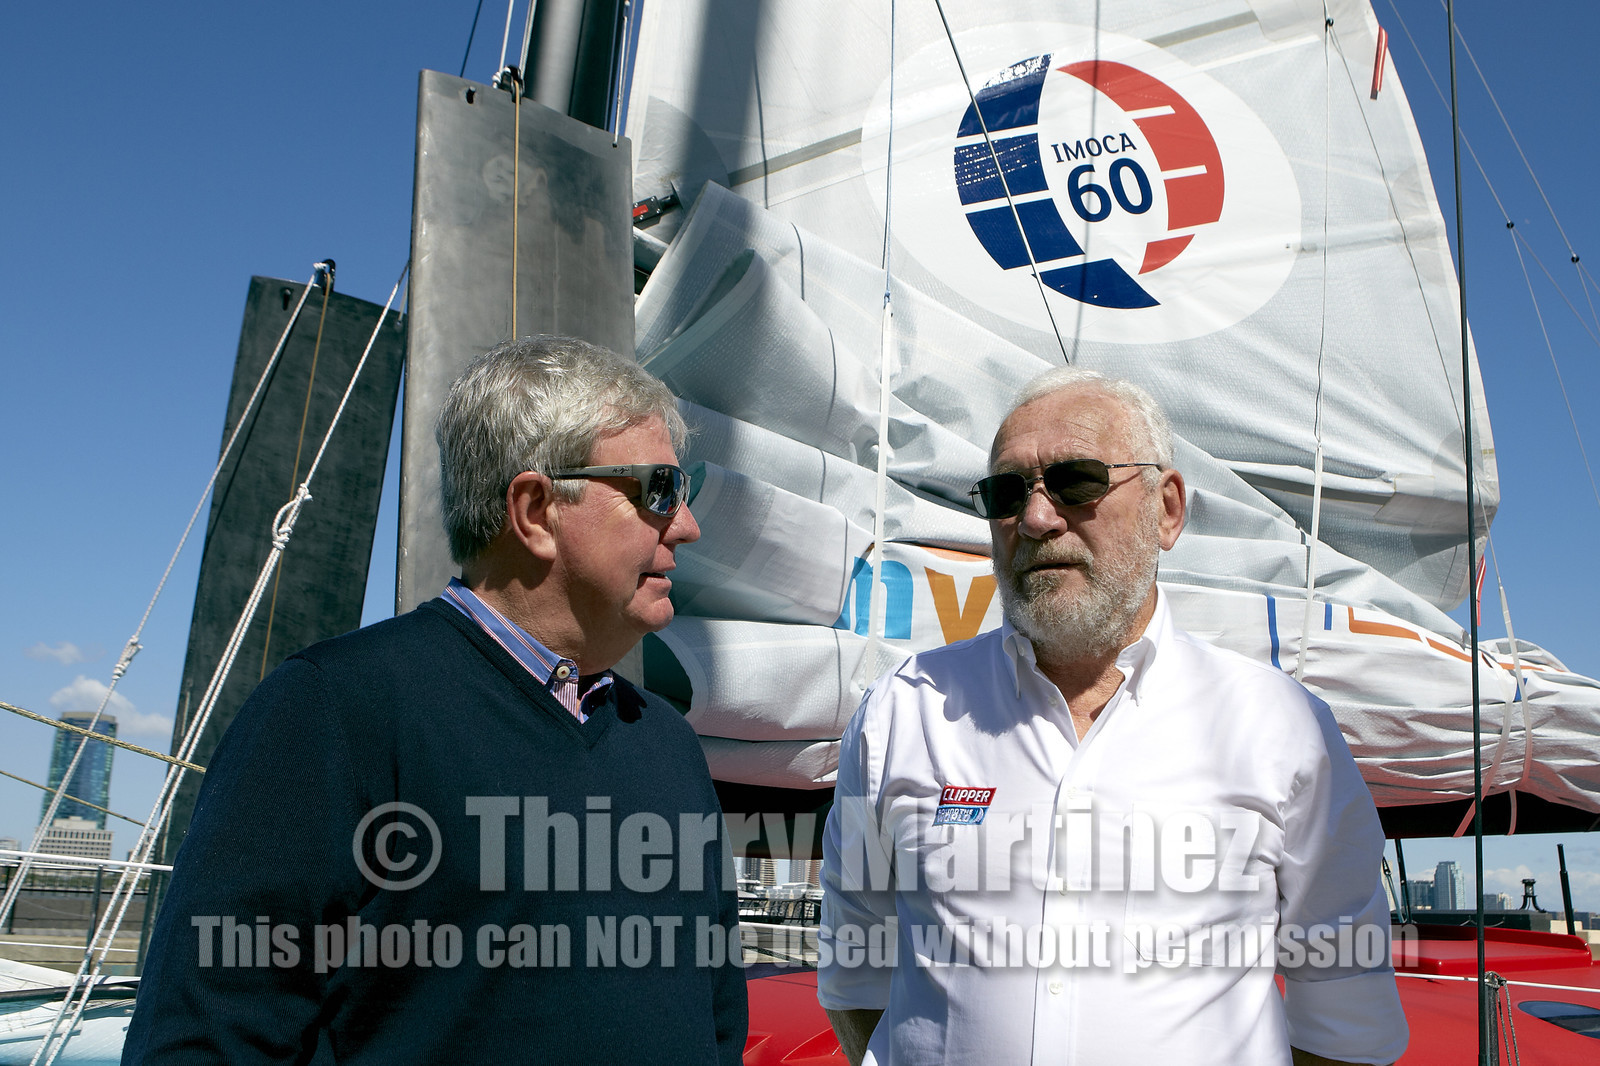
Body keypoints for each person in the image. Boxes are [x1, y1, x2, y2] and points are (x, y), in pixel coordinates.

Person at [125, 336, 747, 1064]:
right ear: (536, 509)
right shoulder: (333, 712)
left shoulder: (668, 745)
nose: (688, 525)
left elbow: (715, 1021)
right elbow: (208, 1040)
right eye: (660, 490)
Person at [818, 367, 1407, 1066]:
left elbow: (1344, 1022)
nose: (1036, 518)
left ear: (1167, 509)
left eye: (1076, 480)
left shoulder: (1281, 729)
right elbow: (856, 972)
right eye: (1007, 493)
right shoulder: (902, 713)